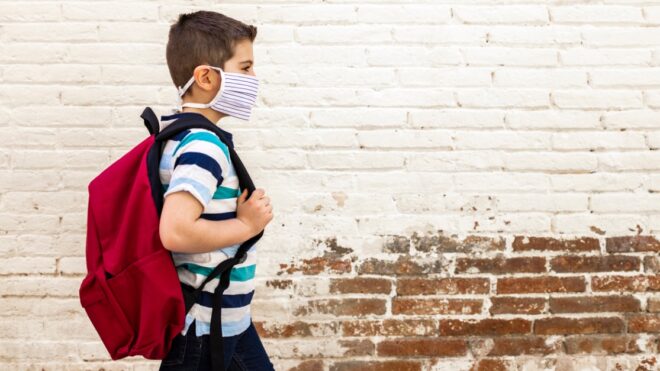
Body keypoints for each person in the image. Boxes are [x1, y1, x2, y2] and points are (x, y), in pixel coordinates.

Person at [157, 10, 275, 371]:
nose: (254, 78)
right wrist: (246, 225)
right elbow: (175, 231)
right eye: (245, 68)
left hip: (226, 319)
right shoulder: (202, 146)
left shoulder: (185, 134)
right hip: (204, 326)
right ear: (206, 77)